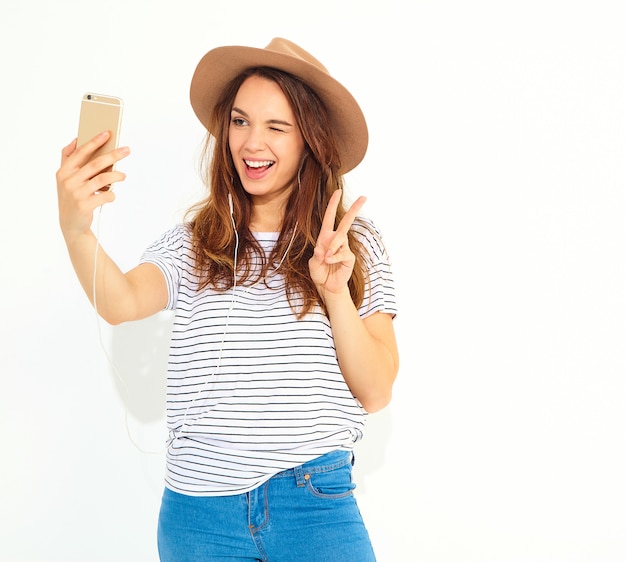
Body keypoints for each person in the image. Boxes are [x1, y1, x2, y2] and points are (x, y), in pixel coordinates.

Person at [56, 37, 399, 562]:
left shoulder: (356, 244)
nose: (250, 143)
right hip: (200, 514)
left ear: (312, 141)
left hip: (314, 503)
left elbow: (375, 392)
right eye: (239, 122)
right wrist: (76, 226)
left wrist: (336, 294)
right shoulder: (195, 242)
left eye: (276, 127)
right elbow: (120, 301)